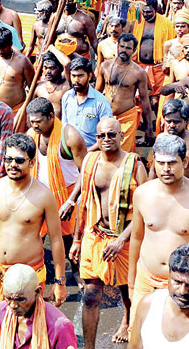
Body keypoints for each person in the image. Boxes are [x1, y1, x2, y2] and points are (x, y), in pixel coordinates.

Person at [0, 134, 68, 342]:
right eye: (8, 159)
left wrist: (60, 281)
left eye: (19, 160)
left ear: (31, 162)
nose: (12, 165)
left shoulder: (44, 195)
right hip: (0, 272)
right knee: (3, 330)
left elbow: (56, 240)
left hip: (29, 276)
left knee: (28, 332)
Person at [69, 117, 148, 348]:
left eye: (111, 135)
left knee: (127, 290)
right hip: (94, 235)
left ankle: (127, 320)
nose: (106, 139)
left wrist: (122, 240)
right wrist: (76, 239)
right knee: (91, 294)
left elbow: (144, 210)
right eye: (101, 135)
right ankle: (89, 346)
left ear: (122, 136)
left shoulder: (135, 165)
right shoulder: (90, 161)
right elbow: (84, 202)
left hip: (124, 237)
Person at [128, 133, 189, 321]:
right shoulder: (142, 194)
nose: (166, 169)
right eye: (160, 163)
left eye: (171, 163)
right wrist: (131, 282)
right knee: (140, 336)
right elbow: (136, 238)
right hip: (146, 278)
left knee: (179, 337)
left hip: (183, 286)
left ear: (184, 162)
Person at [26, 98, 87, 240]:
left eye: (38, 122)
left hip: (66, 197)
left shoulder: (70, 136)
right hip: (38, 196)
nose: (35, 126)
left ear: (51, 117)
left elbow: (85, 172)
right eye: (32, 122)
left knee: (68, 244)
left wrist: (71, 202)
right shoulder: (31, 135)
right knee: (34, 241)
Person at [0, 264, 78, 349]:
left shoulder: (60, 326)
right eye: (8, 298)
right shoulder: (3, 310)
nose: (13, 306)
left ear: (37, 292)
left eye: (20, 299)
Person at [96, 34, 153, 151]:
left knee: (123, 153)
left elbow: (145, 101)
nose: (124, 50)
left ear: (134, 51)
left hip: (127, 118)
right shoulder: (105, 66)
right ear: (117, 46)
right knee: (105, 151)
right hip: (106, 115)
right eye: (122, 46)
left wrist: (149, 129)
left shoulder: (139, 72)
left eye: (128, 48)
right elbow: (97, 93)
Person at [62, 57, 113, 149]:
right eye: (73, 76)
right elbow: (64, 127)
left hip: (91, 154)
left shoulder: (101, 102)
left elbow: (106, 136)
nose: (76, 80)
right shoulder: (67, 97)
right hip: (68, 153)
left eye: (80, 76)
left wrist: (87, 154)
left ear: (89, 76)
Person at [0, 28, 35, 117]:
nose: (0, 51)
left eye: (3, 48)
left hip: (16, 110)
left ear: (10, 44)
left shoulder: (23, 62)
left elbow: (33, 88)